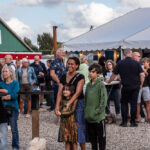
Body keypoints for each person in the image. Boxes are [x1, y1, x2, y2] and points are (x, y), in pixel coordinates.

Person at [55, 57, 87, 150]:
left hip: (78, 104)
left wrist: (68, 104)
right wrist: (57, 107)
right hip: (65, 104)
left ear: (77, 65)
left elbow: (77, 93)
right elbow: (59, 92)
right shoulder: (63, 76)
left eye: (72, 64)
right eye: (68, 63)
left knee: (79, 128)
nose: (70, 65)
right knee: (68, 129)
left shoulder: (80, 77)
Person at [108, 48, 145, 127]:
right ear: (130, 54)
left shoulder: (120, 63)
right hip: (135, 86)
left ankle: (124, 122)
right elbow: (142, 75)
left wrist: (109, 81)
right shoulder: (136, 63)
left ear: (124, 54)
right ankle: (132, 122)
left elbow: (113, 75)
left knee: (124, 103)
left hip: (125, 86)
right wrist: (141, 84)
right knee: (134, 104)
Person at [84, 63, 107, 150]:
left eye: (93, 72)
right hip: (89, 118)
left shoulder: (101, 84)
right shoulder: (88, 85)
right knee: (93, 141)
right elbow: (86, 99)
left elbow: (104, 101)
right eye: (90, 71)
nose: (91, 73)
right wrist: (86, 112)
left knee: (101, 140)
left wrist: (97, 112)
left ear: (98, 73)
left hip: (99, 118)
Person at [0, 66, 20, 150]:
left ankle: (15, 147)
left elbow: (15, 95)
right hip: (2, 109)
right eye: (3, 71)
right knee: (3, 130)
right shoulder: (1, 84)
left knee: (14, 129)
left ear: (11, 73)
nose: (4, 73)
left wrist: (6, 95)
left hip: (13, 108)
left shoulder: (15, 83)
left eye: (6, 71)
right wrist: (5, 92)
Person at [58, 84, 78, 150]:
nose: (64, 91)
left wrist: (61, 113)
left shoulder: (74, 100)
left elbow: (72, 111)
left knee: (73, 141)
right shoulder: (62, 100)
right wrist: (58, 111)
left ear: (72, 91)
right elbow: (59, 108)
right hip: (64, 123)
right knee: (67, 141)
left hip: (72, 123)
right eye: (64, 89)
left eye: (67, 90)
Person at [136, 57, 150, 122]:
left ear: (148, 62)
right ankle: (138, 118)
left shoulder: (149, 69)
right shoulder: (139, 68)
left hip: (146, 86)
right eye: (143, 62)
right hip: (138, 86)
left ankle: (149, 117)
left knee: (148, 102)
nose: (143, 64)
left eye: (145, 62)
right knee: (138, 103)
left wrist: (146, 73)